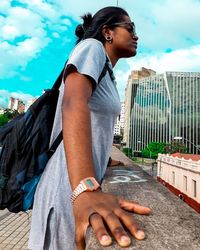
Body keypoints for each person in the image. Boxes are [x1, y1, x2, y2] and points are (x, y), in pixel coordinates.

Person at [28, 6, 151, 250]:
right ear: (108, 32)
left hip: (79, 183)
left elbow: (95, 121)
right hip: (69, 186)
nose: (136, 35)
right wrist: (84, 189)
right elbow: (73, 103)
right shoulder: (91, 48)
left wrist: (103, 157)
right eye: (130, 27)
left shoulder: (106, 70)